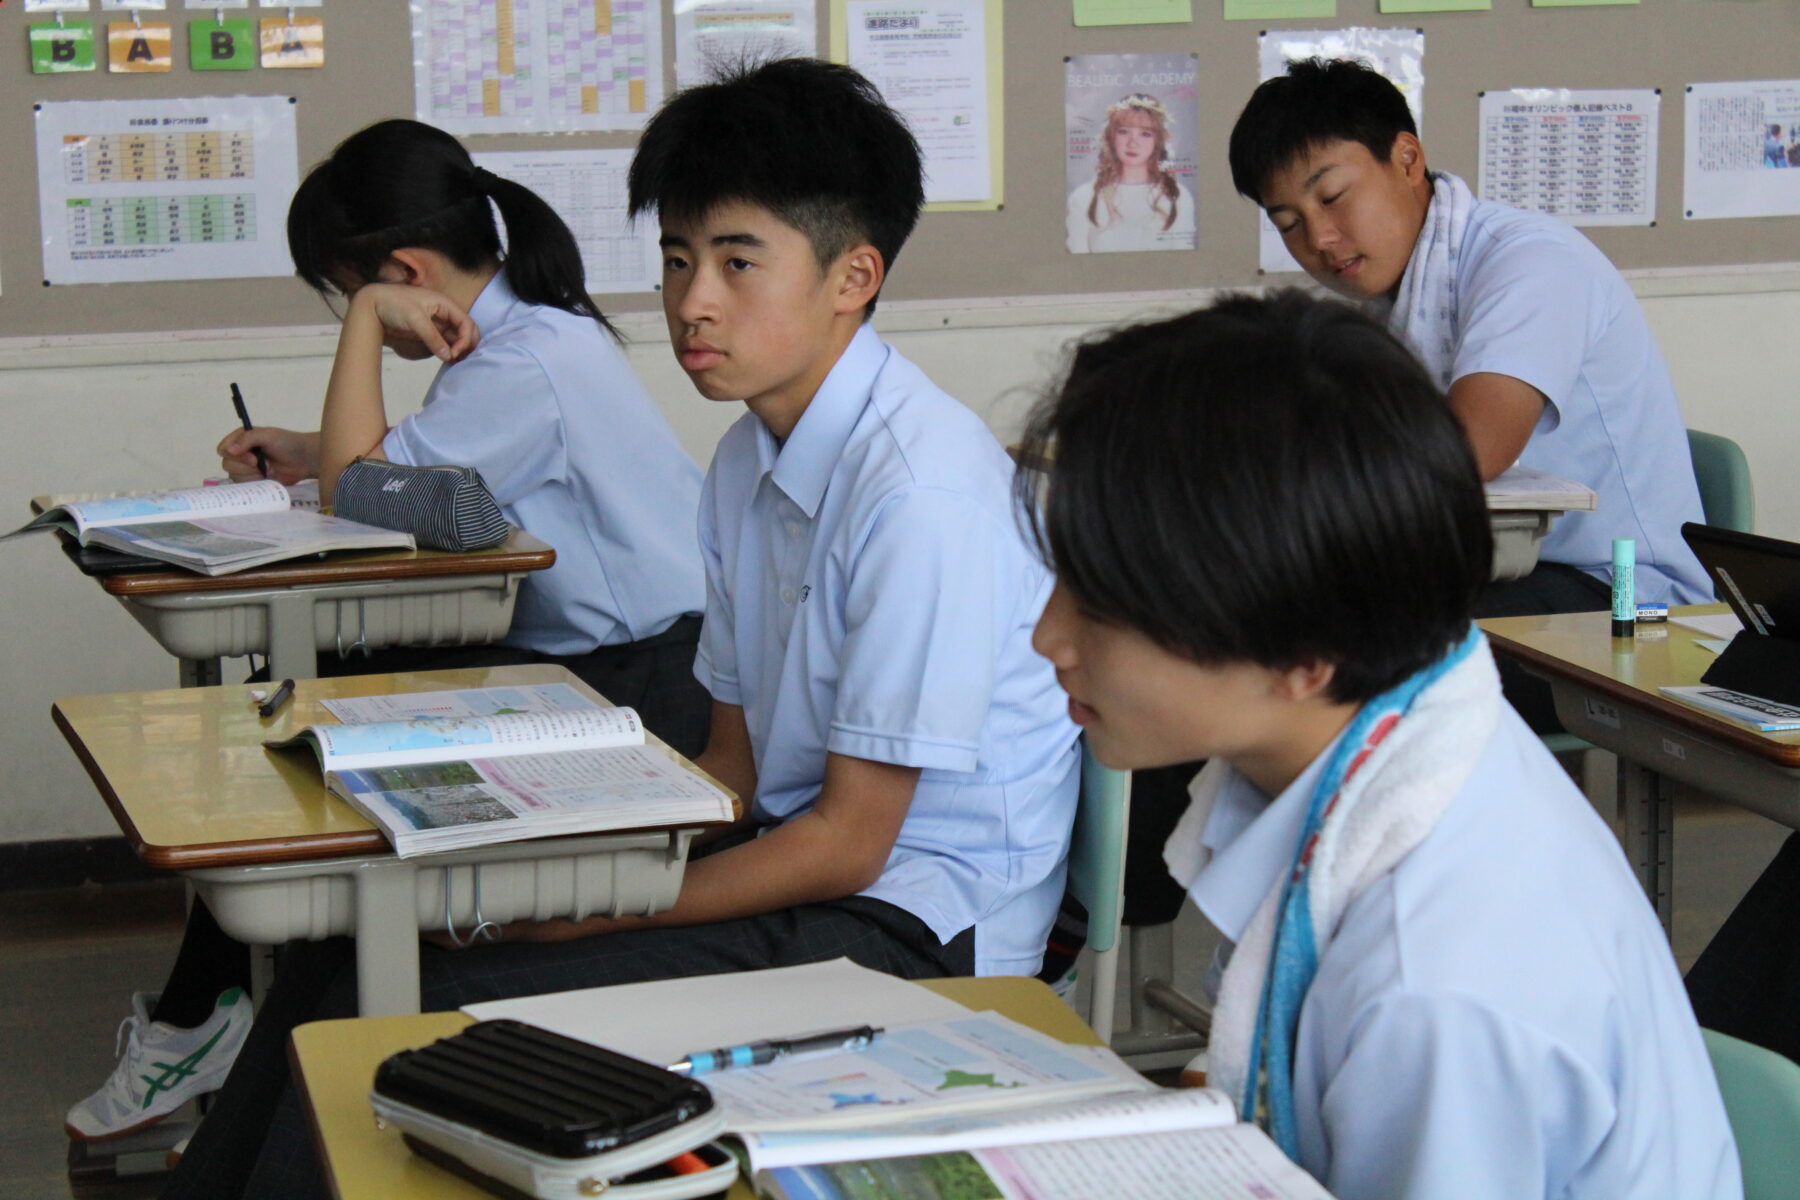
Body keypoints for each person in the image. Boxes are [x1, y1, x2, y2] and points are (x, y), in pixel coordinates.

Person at [156, 58, 1079, 1199]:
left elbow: (852, 840)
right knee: (347, 959)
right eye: (678, 259)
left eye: (739, 262)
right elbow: (733, 772)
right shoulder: (747, 460)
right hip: (802, 864)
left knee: (417, 1015)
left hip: (918, 928)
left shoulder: (919, 492)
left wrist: (581, 916)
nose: (692, 300)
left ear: (855, 275)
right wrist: (560, 871)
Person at [64, 119, 710, 1150]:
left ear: (406, 271)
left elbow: (369, 493)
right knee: (310, 728)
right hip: (590, 669)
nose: (360, 312)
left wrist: (363, 323)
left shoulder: (527, 361)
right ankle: (224, 1018)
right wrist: (306, 449)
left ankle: (220, 1023)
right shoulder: (525, 346)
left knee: (313, 744)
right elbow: (401, 473)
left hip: (637, 693)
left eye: (350, 286)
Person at [1021, 290, 1740, 1200]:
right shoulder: (1366, 748)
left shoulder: (1434, 981)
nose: (1048, 638)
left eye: (1098, 602)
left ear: (1303, 654)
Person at [1228, 58, 1710, 731]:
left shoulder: (1530, 264)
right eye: (1288, 222)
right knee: (1221, 634)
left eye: (1332, 197)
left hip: (1624, 602)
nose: (1319, 239)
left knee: (1331, 663)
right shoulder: (1375, 304)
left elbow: (1466, 452)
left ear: (1407, 158)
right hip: (1500, 573)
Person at [1065, 92, 1197, 253]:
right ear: (1111, 137)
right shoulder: (1084, 197)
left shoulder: (1178, 197)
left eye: (1145, 134)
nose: (1133, 143)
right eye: (1123, 131)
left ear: (1158, 142)